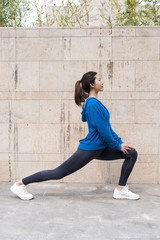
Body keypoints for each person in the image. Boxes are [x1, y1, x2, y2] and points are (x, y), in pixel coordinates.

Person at [10, 71, 140, 201]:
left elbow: (106, 127)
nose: (102, 82)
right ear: (92, 84)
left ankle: (121, 189)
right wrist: (117, 144)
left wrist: (119, 142)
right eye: (99, 80)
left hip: (100, 147)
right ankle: (20, 184)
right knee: (58, 173)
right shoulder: (93, 104)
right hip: (91, 148)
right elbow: (103, 130)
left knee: (131, 153)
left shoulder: (93, 103)